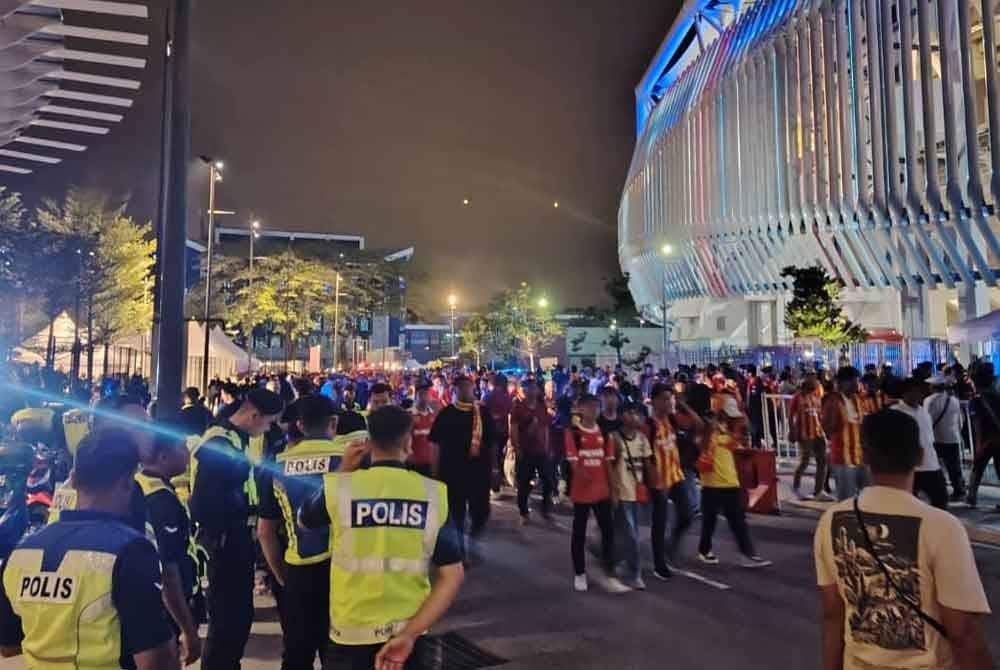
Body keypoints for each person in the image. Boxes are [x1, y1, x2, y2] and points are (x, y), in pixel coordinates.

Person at [814, 409, 994, 669]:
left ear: (865, 456)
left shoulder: (831, 520)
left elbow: (833, 615)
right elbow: (962, 631)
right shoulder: (942, 526)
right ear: (920, 456)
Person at [299, 405, 465, 670]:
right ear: (409, 443)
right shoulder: (433, 494)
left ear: (368, 442)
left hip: (350, 633)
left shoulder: (340, 488)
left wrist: (343, 468)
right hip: (408, 633)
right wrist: (410, 634)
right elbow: (453, 575)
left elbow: (304, 521)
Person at [0, 430, 178, 670]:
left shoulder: (21, 552)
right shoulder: (131, 550)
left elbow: (8, 646)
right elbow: (155, 661)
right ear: (128, 481)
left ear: (72, 480)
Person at [190, 388, 284, 670]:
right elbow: (204, 502)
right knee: (227, 619)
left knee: (238, 616)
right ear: (254, 415)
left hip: (237, 538)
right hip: (225, 541)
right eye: (267, 422)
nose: (268, 429)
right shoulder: (219, 439)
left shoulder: (238, 438)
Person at [258, 395, 343, 670]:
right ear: (333, 423)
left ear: (300, 425)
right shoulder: (347, 461)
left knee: (296, 652)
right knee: (339, 653)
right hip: (340, 570)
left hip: (297, 570)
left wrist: (282, 576)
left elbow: (265, 532)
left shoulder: (276, 464)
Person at [135, 433, 202, 666]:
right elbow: (168, 573)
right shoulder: (160, 499)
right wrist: (188, 629)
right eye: (182, 449)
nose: (187, 454)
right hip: (163, 609)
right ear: (163, 457)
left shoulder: (139, 484)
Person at [565, 393, 630, 593]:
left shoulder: (604, 433)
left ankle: (609, 572)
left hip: (602, 491)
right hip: (582, 492)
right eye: (590, 407)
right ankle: (579, 573)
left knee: (608, 532)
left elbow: (608, 463)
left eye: (597, 407)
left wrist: (614, 490)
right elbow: (574, 463)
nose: (594, 411)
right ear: (581, 409)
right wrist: (583, 475)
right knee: (579, 532)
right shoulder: (573, 433)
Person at [697, 397, 771, 568]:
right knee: (710, 520)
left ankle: (747, 554)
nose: (731, 417)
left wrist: (741, 420)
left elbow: (740, 441)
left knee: (737, 520)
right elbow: (702, 446)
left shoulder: (727, 429)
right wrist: (711, 427)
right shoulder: (709, 428)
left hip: (730, 481)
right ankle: (704, 550)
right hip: (712, 482)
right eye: (727, 413)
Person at [429, 376, 494, 558]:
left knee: (481, 513)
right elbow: (434, 444)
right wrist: (434, 473)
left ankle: (473, 537)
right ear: (455, 391)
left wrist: (495, 469)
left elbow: (492, 443)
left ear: (473, 388)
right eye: (461, 388)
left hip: (479, 473)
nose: (465, 391)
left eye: (468, 387)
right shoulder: (446, 414)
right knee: (456, 515)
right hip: (452, 473)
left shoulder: (482, 413)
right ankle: (461, 551)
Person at [611, 400, 653, 589]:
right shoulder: (614, 438)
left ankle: (619, 561)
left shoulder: (642, 438)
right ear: (622, 416)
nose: (636, 417)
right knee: (631, 533)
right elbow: (609, 467)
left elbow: (648, 464)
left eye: (637, 413)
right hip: (621, 492)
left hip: (637, 492)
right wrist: (613, 492)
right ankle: (635, 573)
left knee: (628, 532)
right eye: (631, 413)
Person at [888, 378, 948, 510]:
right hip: (909, 466)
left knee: (941, 499)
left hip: (931, 464)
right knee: (908, 504)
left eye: (919, 392)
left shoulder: (923, 411)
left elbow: (929, 437)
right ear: (904, 393)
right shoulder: (895, 412)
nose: (917, 395)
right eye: (913, 392)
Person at [822, 367, 870, 501]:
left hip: (861, 456)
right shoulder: (832, 400)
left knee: (868, 496)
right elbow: (827, 428)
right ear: (842, 383)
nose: (856, 384)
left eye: (857, 381)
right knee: (846, 500)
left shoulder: (858, 399)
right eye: (853, 381)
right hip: (842, 457)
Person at [511, 379, 553, 524]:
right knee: (523, 483)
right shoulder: (518, 408)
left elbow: (546, 428)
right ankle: (523, 512)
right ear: (525, 391)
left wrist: (547, 447)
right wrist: (517, 448)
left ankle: (545, 508)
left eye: (534, 388)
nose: (533, 391)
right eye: (529, 388)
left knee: (548, 480)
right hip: (525, 451)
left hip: (541, 451)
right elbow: (514, 430)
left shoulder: (542, 407)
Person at [924, 375, 966, 501]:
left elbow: (927, 420)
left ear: (933, 387)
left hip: (936, 438)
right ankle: (959, 490)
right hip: (953, 437)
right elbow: (960, 419)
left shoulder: (929, 400)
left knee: (936, 466)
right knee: (954, 466)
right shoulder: (954, 400)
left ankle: (939, 490)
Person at [791, 376, 832, 501]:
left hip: (818, 432)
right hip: (804, 433)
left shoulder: (816, 396)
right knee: (805, 461)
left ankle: (818, 491)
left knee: (823, 461)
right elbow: (790, 415)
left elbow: (820, 414)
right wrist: (792, 430)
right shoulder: (797, 397)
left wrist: (825, 429)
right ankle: (796, 486)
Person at [967, 364, 1000, 509]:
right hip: (999, 440)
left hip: (986, 441)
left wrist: (978, 446)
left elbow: (977, 425)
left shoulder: (976, 401)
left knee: (978, 469)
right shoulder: (998, 397)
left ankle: (972, 496)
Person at [408, 381, 437, 478]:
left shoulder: (434, 415)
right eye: (421, 394)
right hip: (413, 466)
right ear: (416, 396)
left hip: (430, 464)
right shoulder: (409, 415)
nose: (424, 396)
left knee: (430, 491)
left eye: (426, 393)